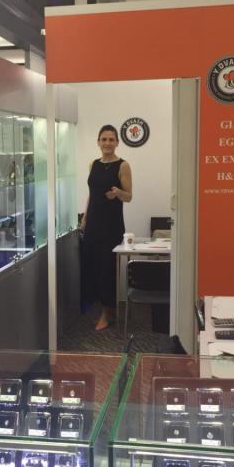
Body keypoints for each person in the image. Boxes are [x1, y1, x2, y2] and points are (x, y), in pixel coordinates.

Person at [80, 124, 133, 331]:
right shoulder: (93, 164)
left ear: (117, 142)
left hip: (111, 224)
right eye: (104, 139)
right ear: (98, 142)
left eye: (111, 139)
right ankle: (104, 309)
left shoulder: (123, 165)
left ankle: (107, 312)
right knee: (93, 265)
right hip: (93, 222)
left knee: (107, 268)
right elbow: (92, 195)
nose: (107, 143)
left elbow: (129, 196)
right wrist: (85, 218)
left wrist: (118, 193)